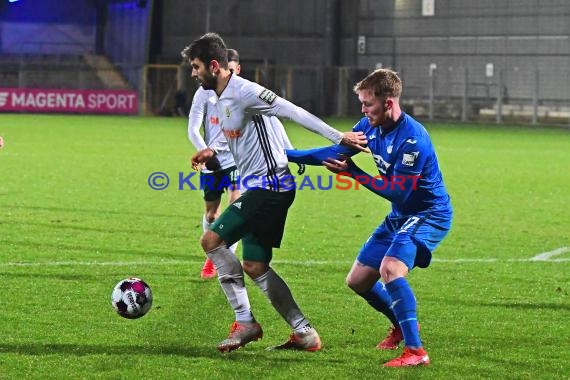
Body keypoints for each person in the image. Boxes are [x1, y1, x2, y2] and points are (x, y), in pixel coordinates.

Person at [182, 33, 367, 353]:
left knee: (211, 240)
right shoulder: (220, 98)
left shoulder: (245, 92)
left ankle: (246, 322)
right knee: (254, 265)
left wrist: (340, 137)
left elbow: (291, 110)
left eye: (196, 67)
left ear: (214, 65)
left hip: (270, 186)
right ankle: (304, 333)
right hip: (262, 186)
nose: (193, 73)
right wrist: (209, 152)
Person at [287, 68, 452, 367]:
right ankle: (401, 326)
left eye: (368, 104)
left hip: (428, 214)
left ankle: (416, 352)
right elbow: (334, 151)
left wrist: (354, 173)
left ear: (388, 103)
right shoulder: (369, 126)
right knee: (359, 281)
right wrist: (285, 155)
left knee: (391, 269)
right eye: (361, 104)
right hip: (401, 215)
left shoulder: (412, 139)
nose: (363, 111)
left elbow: (399, 192)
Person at [188, 48, 303, 279]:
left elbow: (274, 119)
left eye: (230, 70)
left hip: (239, 162)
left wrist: (291, 150)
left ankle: (222, 263)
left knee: (234, 209)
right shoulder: (205, 92)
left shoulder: (246, 93)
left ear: (237, 69)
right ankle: (214, 255)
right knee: (212, 216)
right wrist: (206, 151)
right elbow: (192, 127)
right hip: (213, 163)